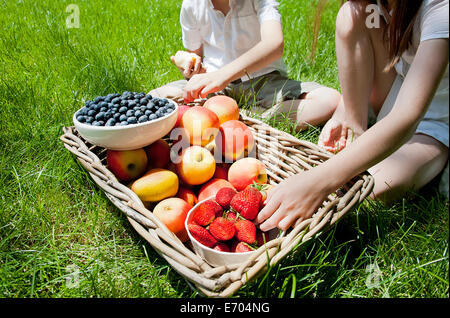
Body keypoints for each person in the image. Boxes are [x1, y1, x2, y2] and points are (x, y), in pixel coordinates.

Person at [256, 0, 449, 232]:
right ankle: (356, 131)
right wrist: (346, 110)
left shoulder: (441, 9)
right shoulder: (375, 5)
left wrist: (318, 181)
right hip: (397, 91)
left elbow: (407, 116)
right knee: (353, 12)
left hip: (435, 124)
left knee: (369, 189)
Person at [149, 0, 341, 129]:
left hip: (264, 81)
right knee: (152, 99)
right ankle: (232, 117)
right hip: (213, 88)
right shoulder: (192, 5)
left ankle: (250, 120)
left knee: (329, 100)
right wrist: (192, 69)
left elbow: (273, 44)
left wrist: (222, 75)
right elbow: (194, 56)